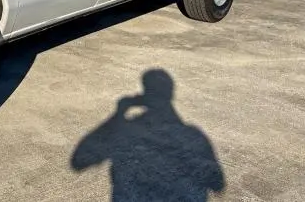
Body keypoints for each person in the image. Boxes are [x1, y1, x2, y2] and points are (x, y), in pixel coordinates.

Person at [71, 69, 225, 201]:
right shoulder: (193, 137)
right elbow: (217, 183)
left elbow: (79, 160)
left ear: (144, 96)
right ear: (170, 94)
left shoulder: (125, 131)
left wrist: (118, 115)